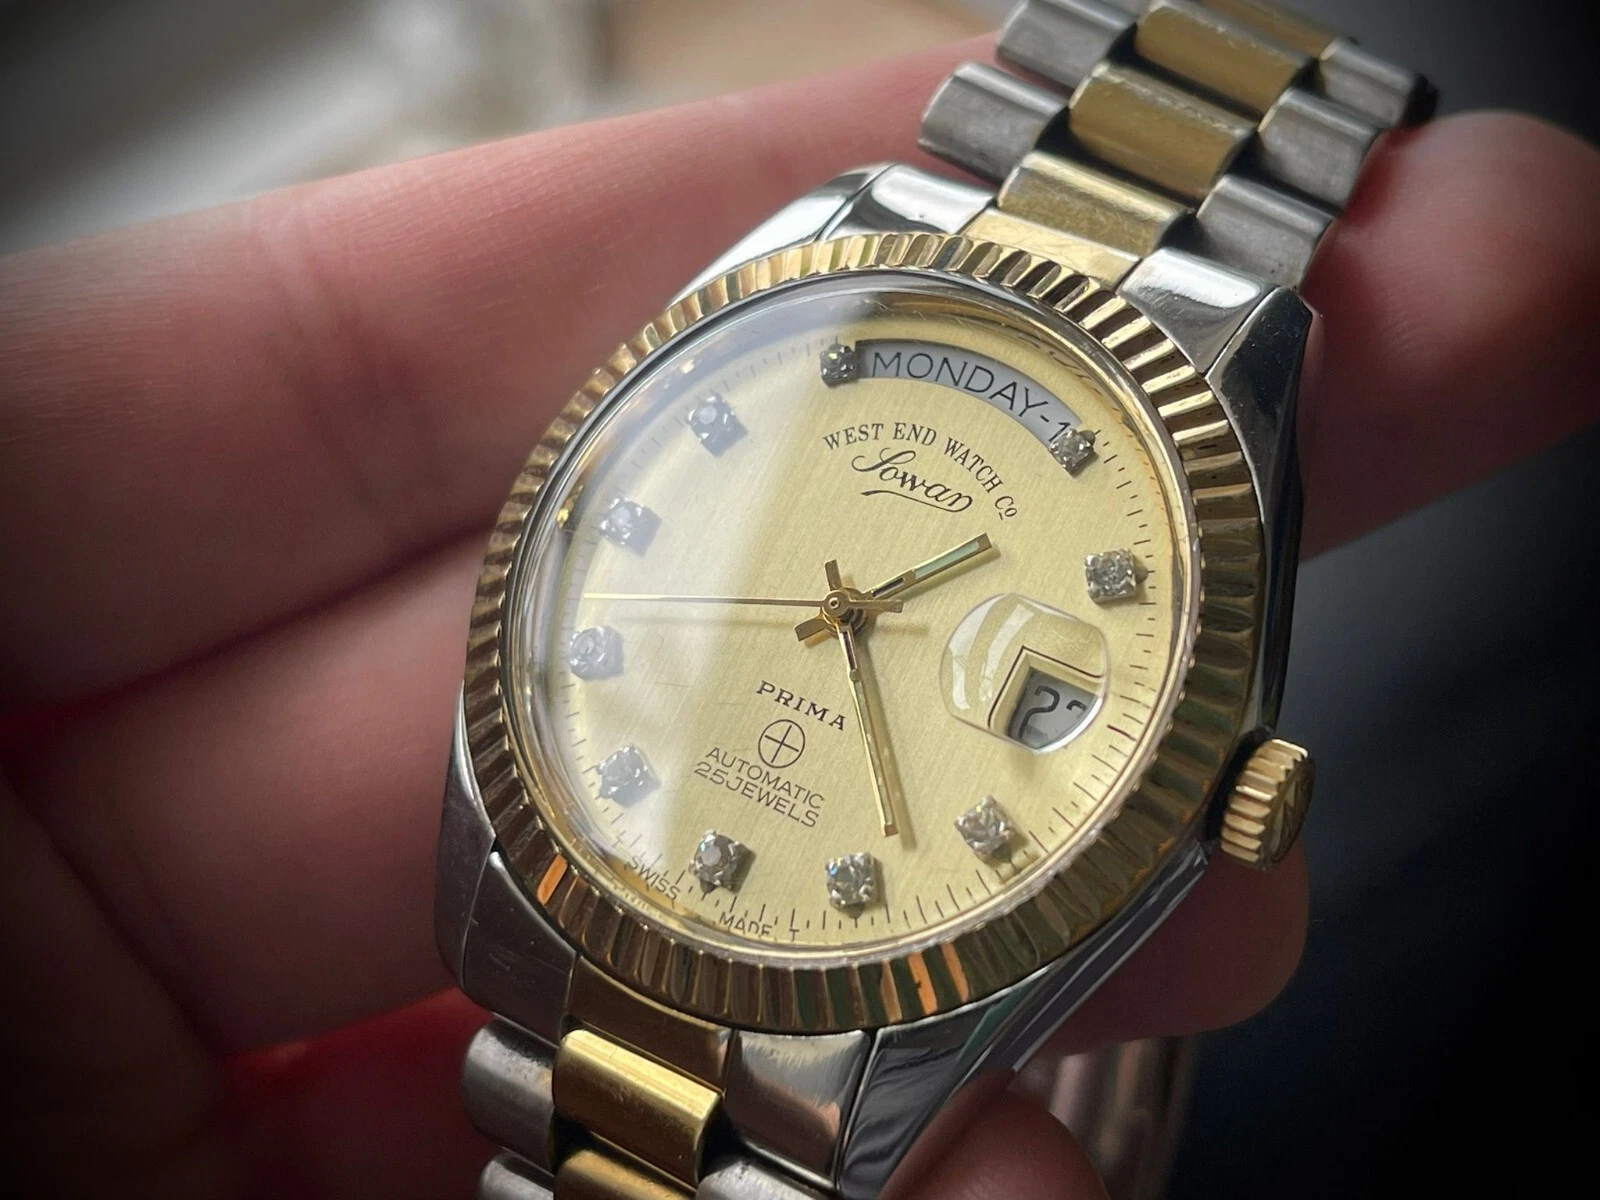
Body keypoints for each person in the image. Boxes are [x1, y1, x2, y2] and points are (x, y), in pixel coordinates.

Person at [1, 39, 1596, 1200]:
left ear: (1223, 790)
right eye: (847, 594)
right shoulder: (846, 236)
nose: (846, 609)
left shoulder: (1214, 347)